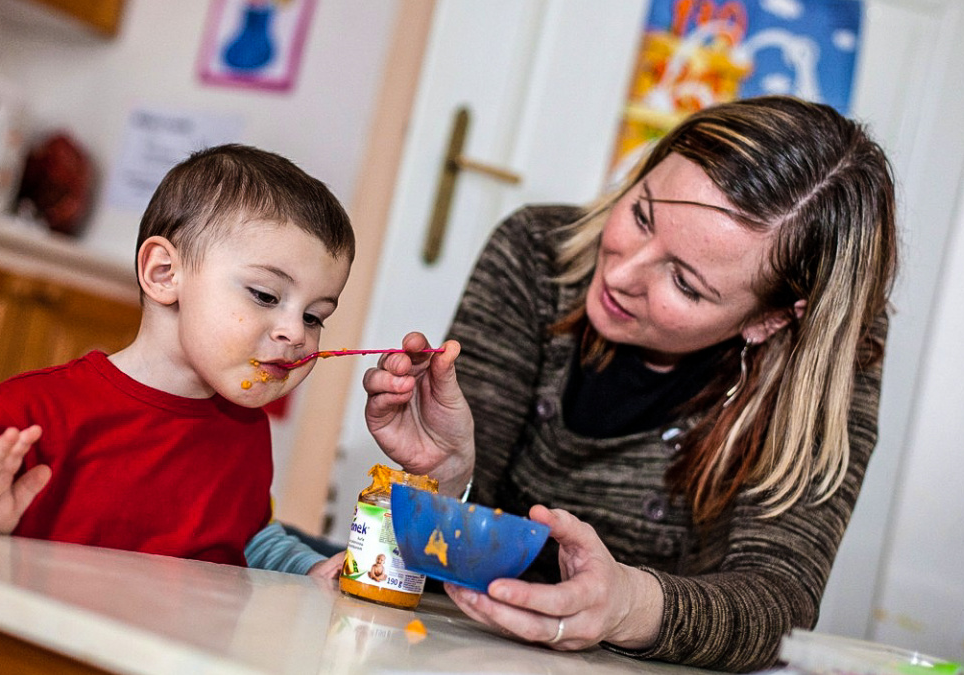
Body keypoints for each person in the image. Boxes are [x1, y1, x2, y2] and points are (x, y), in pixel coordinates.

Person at [362, 96, 896, 672]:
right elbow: (455, 541)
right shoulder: (536, 254)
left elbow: (779, 601)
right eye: (642, 216)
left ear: (771, 319)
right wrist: (450, 478)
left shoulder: (830, 363)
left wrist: (626, 606)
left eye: (686, 284)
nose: (619, 273)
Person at [0, 144, 353, 579]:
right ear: (163, 273)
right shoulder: (35, 413)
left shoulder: (245, 431)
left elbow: (244, 539)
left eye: (315, 316)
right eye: (266, 295)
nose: (295, 333)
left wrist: (306, 568)